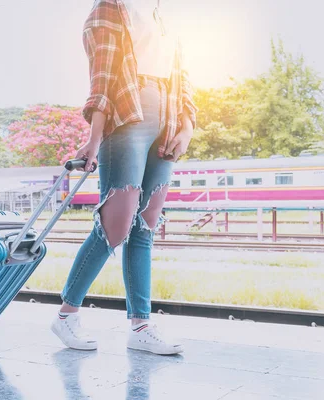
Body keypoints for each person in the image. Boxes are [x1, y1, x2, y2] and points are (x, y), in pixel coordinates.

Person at [50, 0, 198, 355]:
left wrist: (187, 126)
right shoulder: (113, 7)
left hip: (169, 115)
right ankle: (66, 315)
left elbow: (185, 74)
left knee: (146, 225)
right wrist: (94, 138)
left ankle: (141, 325)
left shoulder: (168, 12)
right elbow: (102, 76)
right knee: (116, 224)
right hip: (129, 111)